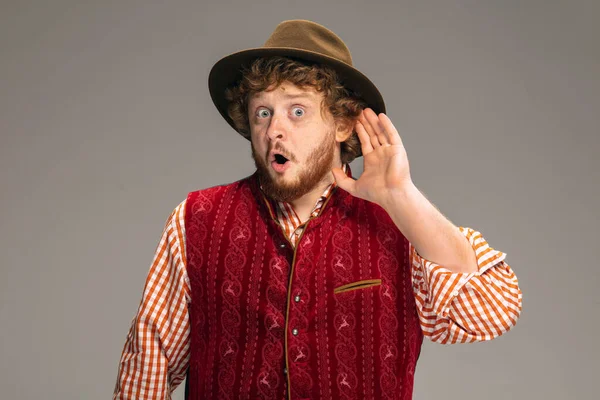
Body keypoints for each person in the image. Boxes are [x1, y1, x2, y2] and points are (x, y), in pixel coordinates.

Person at [112, 19, 522, 400]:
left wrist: (403, 196)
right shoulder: (196, 218)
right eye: (263, 112)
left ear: (343, 125)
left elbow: (489, 313)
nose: (274, 129)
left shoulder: (401, 225)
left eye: (297, 111)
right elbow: (148, 365)